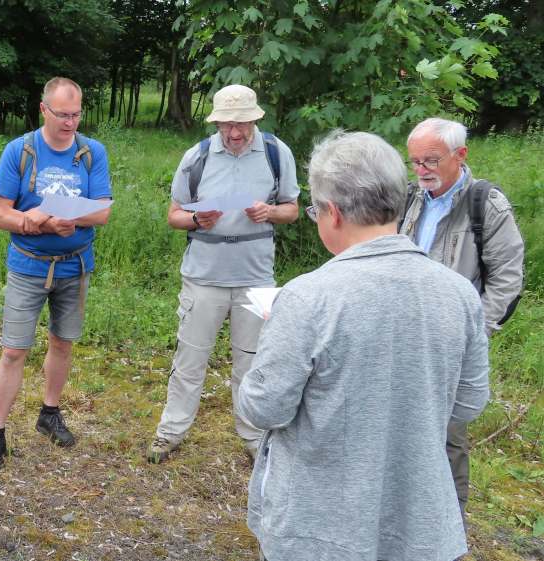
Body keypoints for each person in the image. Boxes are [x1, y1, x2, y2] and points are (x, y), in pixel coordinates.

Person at [238, 130, 490, 561]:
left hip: (317, 530)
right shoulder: (459, 293)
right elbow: (467, 403)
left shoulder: (308, 297)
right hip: (418, 525)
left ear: (333, 213)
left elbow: (264, 408)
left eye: (315, 210)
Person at [148, 84, 299, 464]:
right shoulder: (197, 156)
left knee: (253, 363)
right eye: (227, 125)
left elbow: (292, 209)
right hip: (203, 275)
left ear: (255, 120)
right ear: (216, 123)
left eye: (242, 124)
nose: (235, 132)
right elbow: (174, 215)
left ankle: (254, 437)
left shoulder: (276, 153)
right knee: (189, 360)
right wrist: (197, 219)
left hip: (256, 277)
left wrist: (270, 212)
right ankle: (170, 432)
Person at [0, 76, 112, 475]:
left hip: (75, 265)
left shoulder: (91, 152)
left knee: (63, 343)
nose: (70, 122)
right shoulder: (20, 151)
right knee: (14, 350)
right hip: (28, 264)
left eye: (76, 114)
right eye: (62, 114)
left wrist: (62, 219)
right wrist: (40, 223)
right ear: (43, 110)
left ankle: (49, 413)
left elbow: (102, 211)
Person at [400, 117, 524, 521]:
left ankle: (449, 525)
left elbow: (507, 280)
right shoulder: (410, 198)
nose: (422, 170)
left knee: (447, 434)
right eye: (415, 162)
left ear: (461, 155)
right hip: (402, 334)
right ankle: (402, 513)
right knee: (398, 426)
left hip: (452, 342)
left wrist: (473, 332)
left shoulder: (485, 204)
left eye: (431, 160)